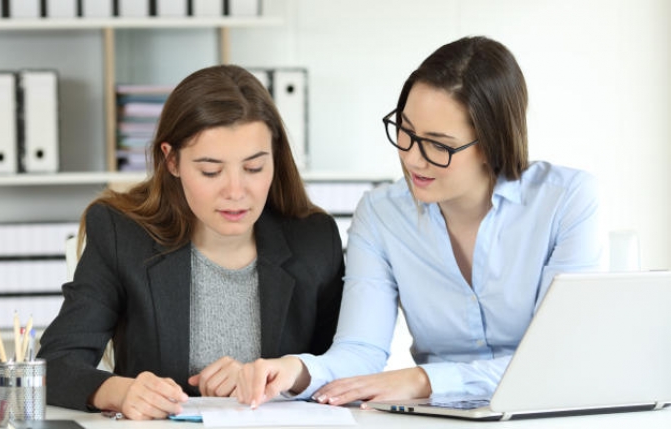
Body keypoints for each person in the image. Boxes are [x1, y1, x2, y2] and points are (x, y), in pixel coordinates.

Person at [236, 36, 605, 408]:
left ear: (492, 143)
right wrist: (296, 370)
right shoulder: (381, 214)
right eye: (406, 132)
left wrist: (424, 379)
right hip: (441, 417)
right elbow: (361, 348)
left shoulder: (566, 200)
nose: (413, 159)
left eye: (438, 145)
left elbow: (559, 360)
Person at [37, 64, 345, 419]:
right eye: (211, 171)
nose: (235, 192)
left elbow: (345, 368)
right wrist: (119, 391)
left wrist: (279, 381)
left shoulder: (313, 239)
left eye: (254, 168)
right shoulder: (123, 234)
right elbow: (55, 366)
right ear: (172, 160)